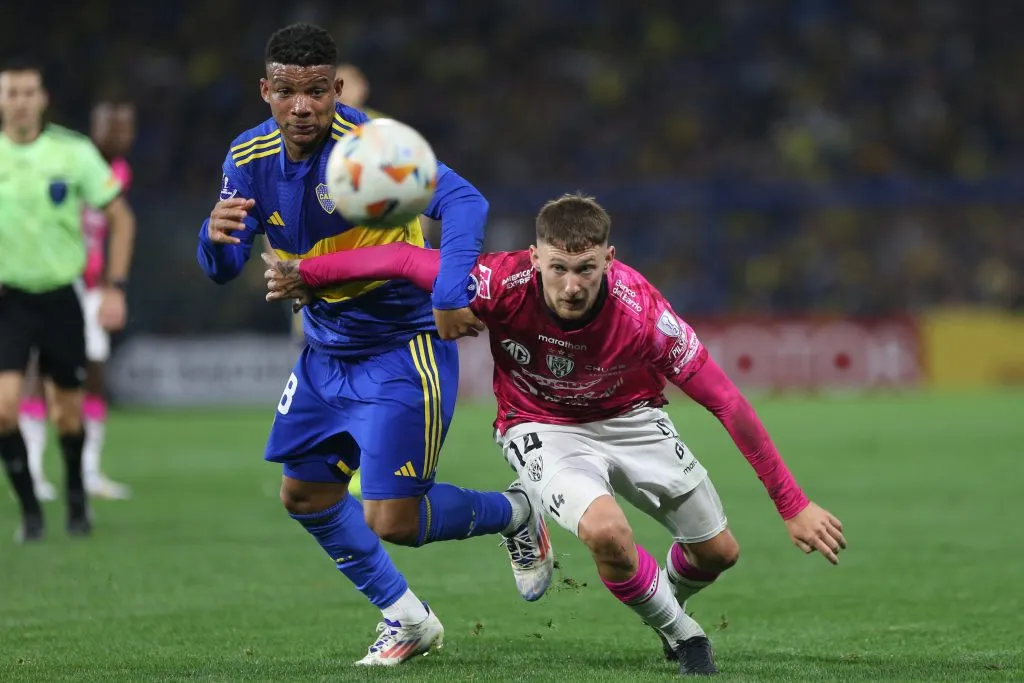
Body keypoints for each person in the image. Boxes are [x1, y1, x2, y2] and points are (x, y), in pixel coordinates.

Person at [264, 193, 847, 676]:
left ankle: (664, 595)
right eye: (558, 268)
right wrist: (303, 274)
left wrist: (792, 504)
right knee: (606, 533)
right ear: (536, 256)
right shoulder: (498, 282)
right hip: (541, 426)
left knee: (719, 553)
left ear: (609, 260)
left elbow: (727, 402)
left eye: (586, 269)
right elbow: (398, 258)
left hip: (633, 419)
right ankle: (683, 636)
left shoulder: (643, 315)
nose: (571, 285)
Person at [195, 23, 552, 666]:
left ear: (335, 88)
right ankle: (406, 618)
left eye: (313, 91)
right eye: (285, 92)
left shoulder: (369, 148)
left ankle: (516, 510)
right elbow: (223, 267)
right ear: (265, 92)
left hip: (399, 347)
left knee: (394, 520)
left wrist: (448, 295)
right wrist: (213, 238)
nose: (300, 106)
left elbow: (464, 199)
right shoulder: (246, 159)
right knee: (305, 495)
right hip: (325, 350)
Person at [0, 59, 136, 541]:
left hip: (62, 298)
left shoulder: (72, 152)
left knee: (67, 413)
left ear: (42, 99)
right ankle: (31, 512)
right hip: (8, 302)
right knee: (4, 410)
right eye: (11, 92)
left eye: (27, 92)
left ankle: (77, 497)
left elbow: (120, 218)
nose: (19, 101)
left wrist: (114, 288)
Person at [264, 60, 377, 497]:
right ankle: (342, 455)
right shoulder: (287, 147)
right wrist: (279, 259)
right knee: (316, 349)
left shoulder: (373, 136)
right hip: (312, 285)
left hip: (368, 287)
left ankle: (367, 459)